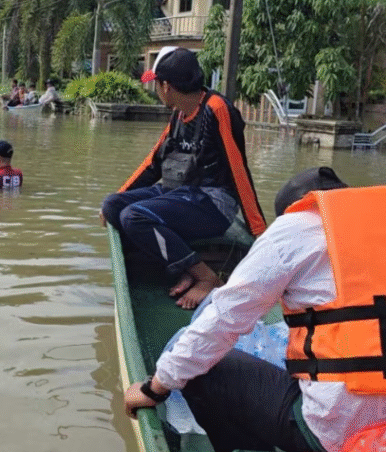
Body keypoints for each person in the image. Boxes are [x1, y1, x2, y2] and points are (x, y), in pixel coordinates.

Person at [123, 167, 386, 452]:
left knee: (206, 369)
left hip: (348, 436)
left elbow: (223, 317)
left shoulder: (297, 226)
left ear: (301, 207)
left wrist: (156, 387)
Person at [100, 46, 267, 309]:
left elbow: (239, 170)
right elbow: (153, 164)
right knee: (113, 205)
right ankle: (182, 266)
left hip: (212, 203)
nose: (155, 90)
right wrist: (119, 195)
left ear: (167, 86)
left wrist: (259, 231)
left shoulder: (216, 109)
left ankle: (205, 277)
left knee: (134, 216)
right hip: (178, 194)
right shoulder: (178, 114)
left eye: (156, 85)